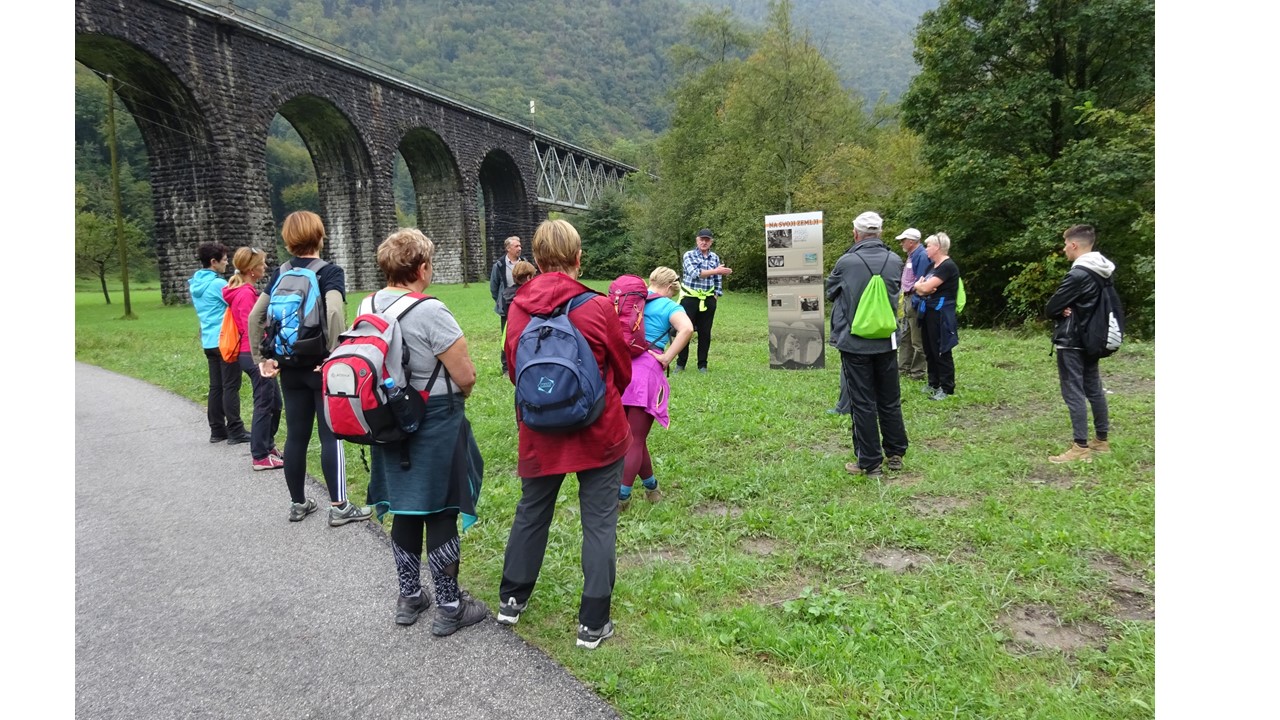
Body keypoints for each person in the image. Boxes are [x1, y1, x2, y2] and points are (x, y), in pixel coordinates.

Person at [496, 219, 632, 650]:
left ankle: (511, 599)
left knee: (532, 511)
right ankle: (593, 623)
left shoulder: (519, 307)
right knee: (599, 522)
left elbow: (515, 369)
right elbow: (623, 369)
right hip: (599, 431)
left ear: (536, 259)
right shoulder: (596, 306)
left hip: (540, 431)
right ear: (578, 258)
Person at [363, 228, 488, 634]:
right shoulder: (430, 310)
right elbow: (465, 374)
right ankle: (450, 605)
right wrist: (461, 391)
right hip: (434, 415)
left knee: (405, 505)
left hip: (387, 417)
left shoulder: (368, 304)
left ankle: (410, 595)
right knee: (441, 506)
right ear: (421, 268)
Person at [248, 210, 374, 526]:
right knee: (331, 434)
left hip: (288, 365)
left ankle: (298, 503)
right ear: (320, 236)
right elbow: (333, 312)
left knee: (296, 436)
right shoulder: (329, 272)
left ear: (288, 241)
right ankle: (340, 506)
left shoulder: (281, 272)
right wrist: (335, 355)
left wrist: (260, 359)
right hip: (320, 365)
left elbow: (254, 317)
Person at [826, 211, 909, 479]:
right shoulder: (895, 260)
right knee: (889, 399)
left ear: (856, 233)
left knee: (862, 403)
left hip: (855, 343)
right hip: (886, 341)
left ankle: (869, 462)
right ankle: (895, 453)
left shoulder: (847, 261)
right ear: (880, 233)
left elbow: (830, 291)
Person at [618, 266, 693, 510]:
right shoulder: (671, 306)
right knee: (636, 439)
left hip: (620, 371)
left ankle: (651, 487)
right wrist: (667, 357)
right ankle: (621, 499)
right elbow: (687, 329)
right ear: (671, 286)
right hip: (646, 374)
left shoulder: (633, 301)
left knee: (632, 438)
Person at [1045, 224, 1115, 464]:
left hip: (1072, 339)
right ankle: (1101, 441)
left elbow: (1052, 307)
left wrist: (1064, 309)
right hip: (1093, 337)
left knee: (1073, 391)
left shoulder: (1078, 274)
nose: (1064, 249)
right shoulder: (1103, 271)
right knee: (1094, 389)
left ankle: (1080, 447)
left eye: (1065, 245)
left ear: (1074, 245)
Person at [222, 247, 283, 471]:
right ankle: (259, 456)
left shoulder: (242, 291)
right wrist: (263, 357)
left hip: (250, 353)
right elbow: (251, 327)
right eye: (262, 263)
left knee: (275, 402)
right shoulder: (246, 294)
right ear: (251, 269)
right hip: (253, 354)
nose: (265, 267)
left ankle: (267, 445)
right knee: (265, 405)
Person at [189, 241, 250, 446]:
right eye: (224, 260)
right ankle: (235, 429)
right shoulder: (217, 284)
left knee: (216, 386)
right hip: (225, 340)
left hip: (208, 340)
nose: (226, 264)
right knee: (231, 385)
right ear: (213, 262)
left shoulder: (195, 283)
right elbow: (234, 301)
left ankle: (217, 429)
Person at [675, 228, 732, 373]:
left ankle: (702, 365)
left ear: (711, 242)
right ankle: (681, 364)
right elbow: (695, 274)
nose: (704, 242)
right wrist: (716, 271)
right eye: (702, 239)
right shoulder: (689, 255)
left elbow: (717, 279)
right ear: (697, 240)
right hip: (689, 298)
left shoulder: (715, 258)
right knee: (685, 331)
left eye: (707, 240)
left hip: (708, 299)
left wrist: (716, 295)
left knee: (705, 333)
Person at [913, 232, 962, 400]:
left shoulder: (948, 267)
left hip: (941, 313)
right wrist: (921, 286)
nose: (926, 249)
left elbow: (925, 288)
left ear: (938, 247)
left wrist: (922, 286)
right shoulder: (931, 266)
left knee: (941, 349)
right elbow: (918, 286)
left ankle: (947, 387)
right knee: (928, 347)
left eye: (928, 246)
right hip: (927, 310)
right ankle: (933, 382)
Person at [895, 227, 928, 381]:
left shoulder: (921, 255)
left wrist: (915, 300)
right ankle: (903, 369)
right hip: (908, 298)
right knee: (905, 337)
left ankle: (917, 373)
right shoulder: (911, 255)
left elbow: (922, 280)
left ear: (912, 241)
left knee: (917, 340)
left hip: (915, 299)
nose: (901, 243)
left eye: (903, 240)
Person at [498, 260, 536, 374]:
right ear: (529, 277)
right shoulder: (531, 295)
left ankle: (506, 369)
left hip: (509, 328)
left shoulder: (506, 294)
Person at [489, 236, 524, 333]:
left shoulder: (525, 263)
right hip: (506, 304)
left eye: (520, 246)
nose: (519, 249)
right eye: (516, 246)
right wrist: (501, 300)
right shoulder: (499, 265)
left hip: (523, 303)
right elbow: (494, 287)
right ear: (508, 248)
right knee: (506, 332)